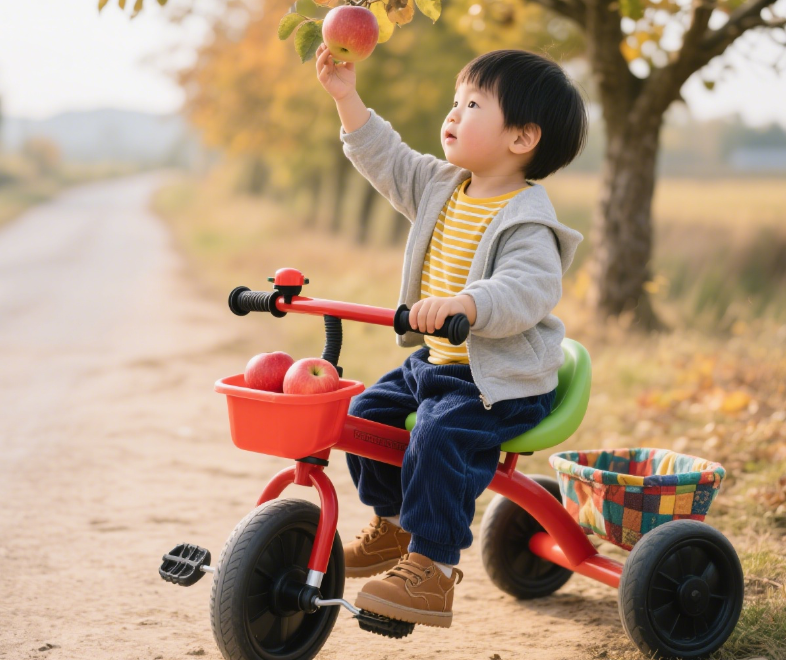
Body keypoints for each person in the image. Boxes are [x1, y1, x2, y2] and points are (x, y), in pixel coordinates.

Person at [315, 44, 588, 628]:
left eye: (473, 104)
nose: (453, 113)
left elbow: (526, 289)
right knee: (365, 414)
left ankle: (434, 568)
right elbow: (386, 157)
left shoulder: (529, 222)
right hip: (438, 364)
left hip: (500, 380)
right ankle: (395, 526)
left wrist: (468, 303)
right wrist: (347, 97)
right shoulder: (440, 185)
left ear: (522, 138)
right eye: (455, 100)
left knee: (439, 435)